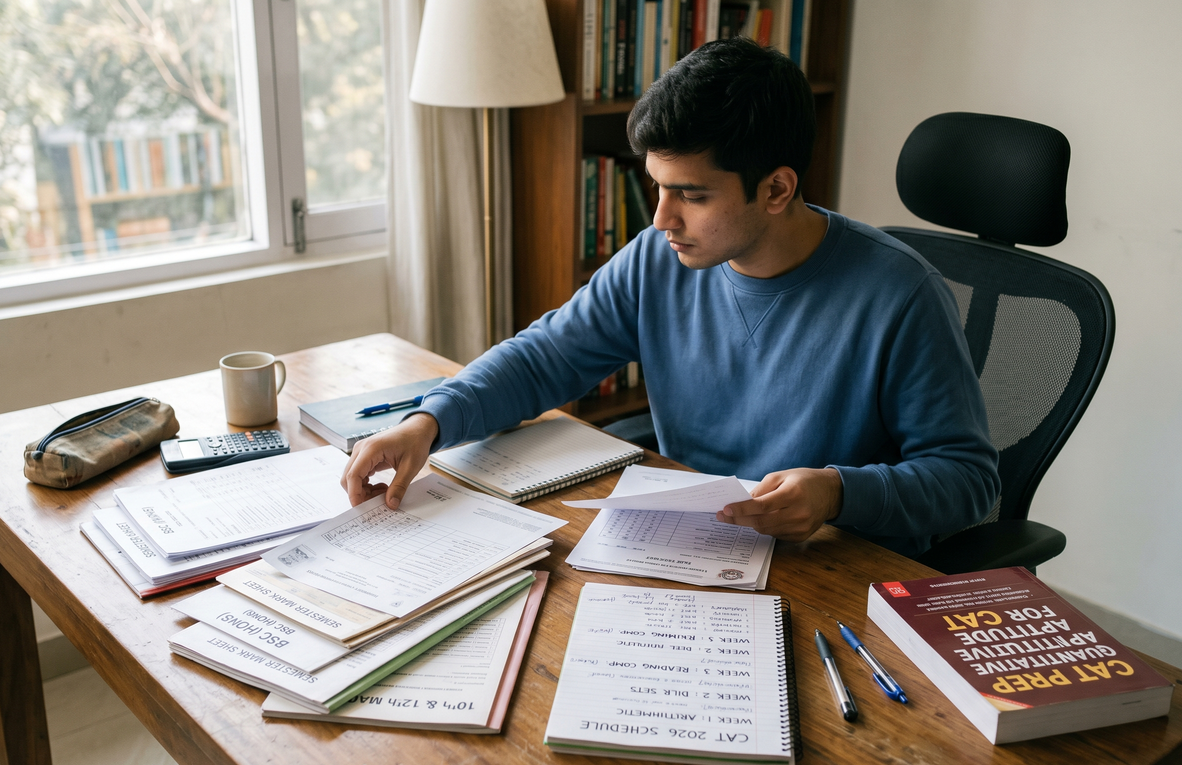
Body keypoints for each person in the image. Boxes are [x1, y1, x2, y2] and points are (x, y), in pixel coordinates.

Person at [343, 39, 999, 559]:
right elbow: (545, 357)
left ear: (775, 189)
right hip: (691, 550)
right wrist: (427, 423)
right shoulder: (660, 259)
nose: (662, 218)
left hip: (837, 566)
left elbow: (970, 481)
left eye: (692, 193)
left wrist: (839, 492)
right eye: (656, 186)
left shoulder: (901, 295)